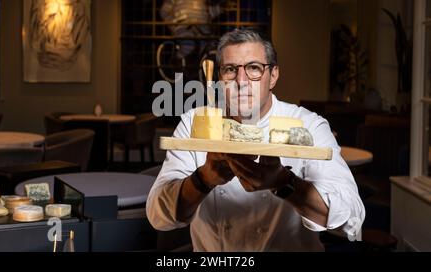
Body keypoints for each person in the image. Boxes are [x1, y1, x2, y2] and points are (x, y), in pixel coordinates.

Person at [146, 29, 365, 251]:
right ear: (220, 78)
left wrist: (284, 183)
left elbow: (352, 220)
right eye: (230, 70)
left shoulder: (308, 125)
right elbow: (158, 215)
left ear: (274, 75)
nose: (241, 81)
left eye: (253, 68)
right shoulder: (195, 122)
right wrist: (203, 180)